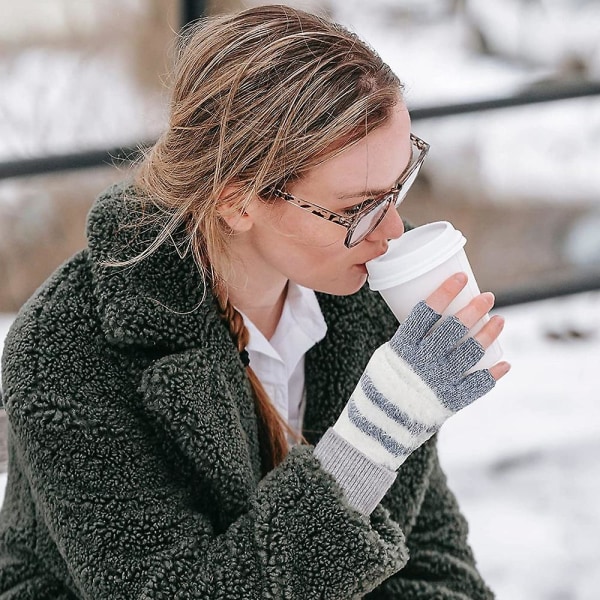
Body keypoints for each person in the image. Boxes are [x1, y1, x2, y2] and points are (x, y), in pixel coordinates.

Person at [0, 4, 510, 598]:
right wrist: (373, 439)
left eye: (399, 185)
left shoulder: (364, 294)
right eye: (356, 208)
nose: (393, 231)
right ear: (238, 202)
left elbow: (437, 566)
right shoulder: (66, 345)